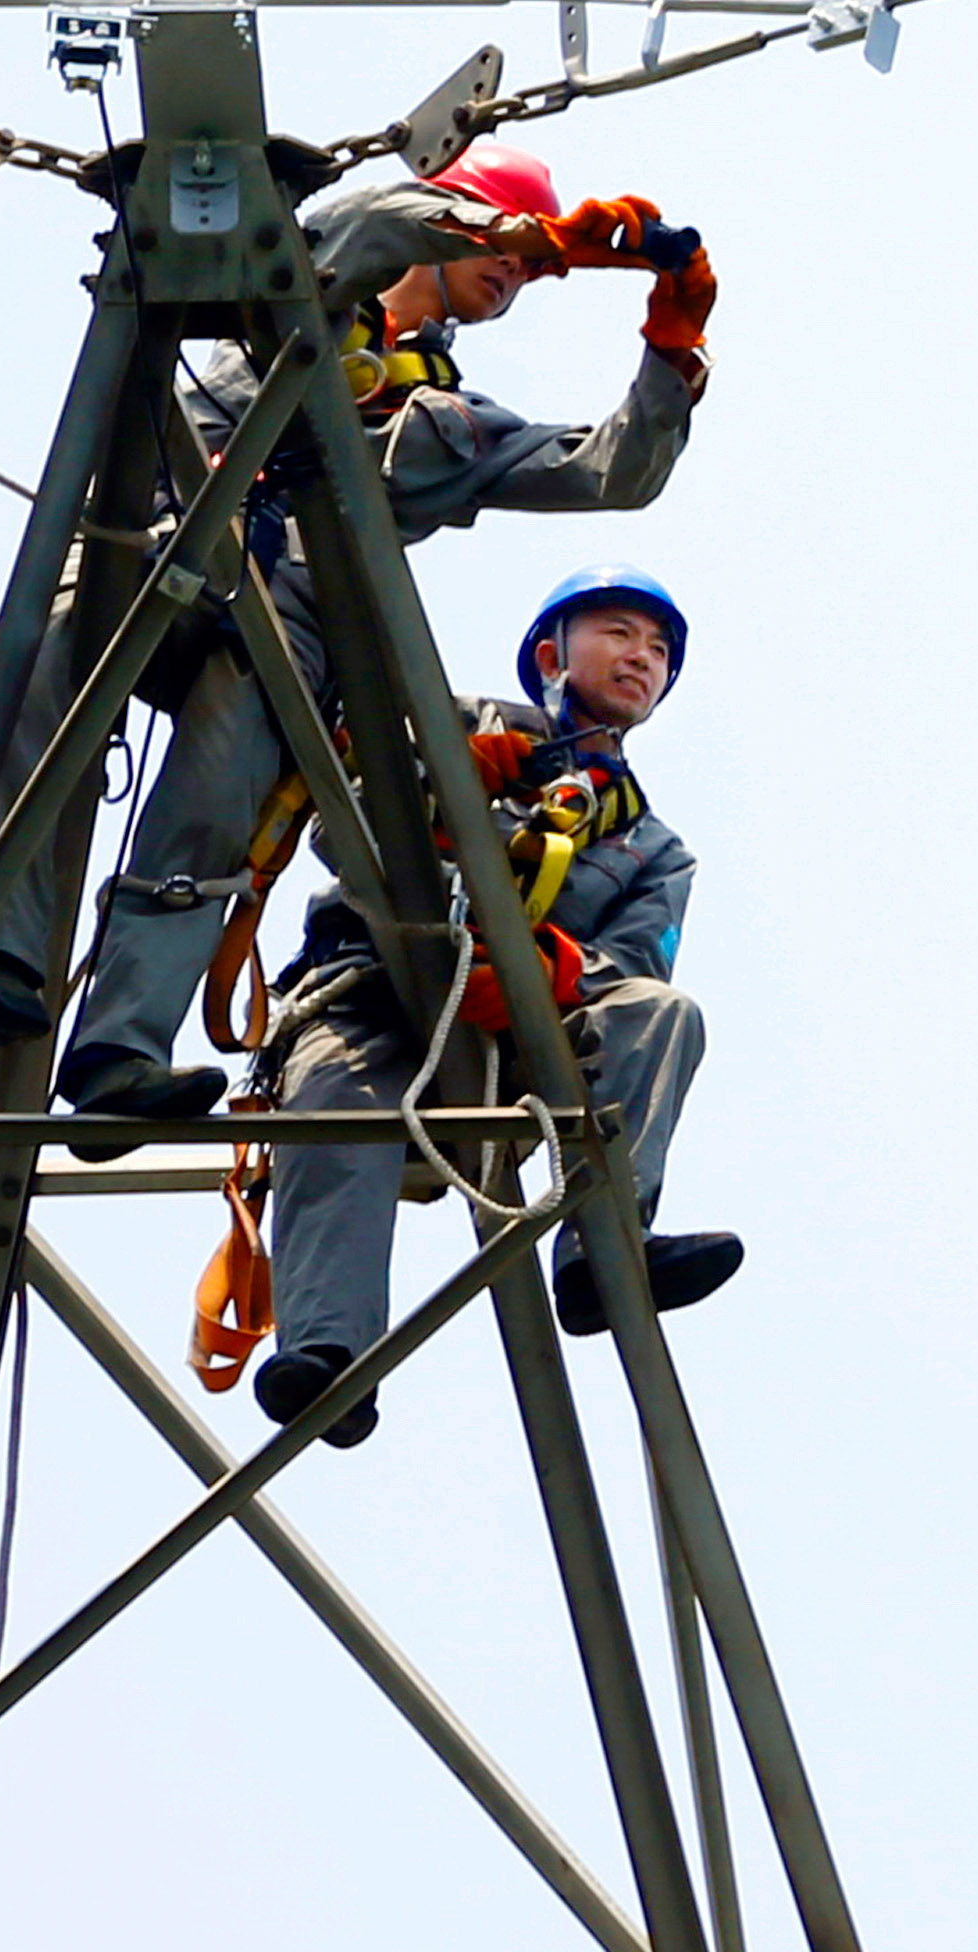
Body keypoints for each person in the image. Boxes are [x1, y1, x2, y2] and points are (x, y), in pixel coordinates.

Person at [0, 146, 722, 1145]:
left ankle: (117, 1053)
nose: (516, 270)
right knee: (19, 674)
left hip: (282, 632)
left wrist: (671, 346)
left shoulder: (452, 422)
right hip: (160, 543)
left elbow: (611, 473)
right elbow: (369, 222)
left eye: (528, 260)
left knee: (210, 816)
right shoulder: (292, 299)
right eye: (497, 235)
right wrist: (517, 231)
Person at [246, 568, 745, 1443]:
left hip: (518, 1042)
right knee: (331, 1098)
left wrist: (547, 964)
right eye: (621, 633)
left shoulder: (651, 845)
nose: (643, 657)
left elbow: (629, 961)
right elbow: (342, 828)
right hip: (374, 983)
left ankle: (601, 1253)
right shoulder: (460, 730)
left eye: (660, 651)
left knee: (665, 1013)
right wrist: (441, 817)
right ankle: (331, 1353)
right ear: (553, 653)